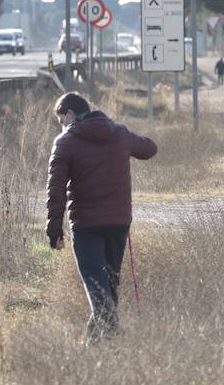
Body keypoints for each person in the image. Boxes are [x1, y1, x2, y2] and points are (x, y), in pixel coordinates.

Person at [46, 91, 158, 342]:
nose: (62, 125)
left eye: (61, 119)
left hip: (86, 225)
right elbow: (150, 148)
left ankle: (108, 335)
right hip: (119, 221)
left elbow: (55, 190)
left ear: (70, 113)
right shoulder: (119, 133)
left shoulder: (65, 142)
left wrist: (54, 230)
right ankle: (93, 344)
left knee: (97, 286)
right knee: (108, 285)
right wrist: (129, 140)